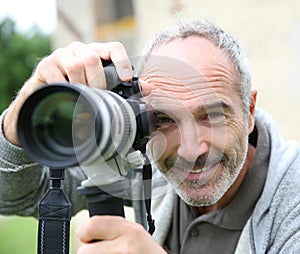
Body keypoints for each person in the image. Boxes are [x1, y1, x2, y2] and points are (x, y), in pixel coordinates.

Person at [1, 18, 300, 254]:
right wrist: (31, 99)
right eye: (165, 119)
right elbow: (13, 196)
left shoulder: (291, 199)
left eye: (212, 116)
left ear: (248, 111)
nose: (190, 150)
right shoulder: (145, 162)